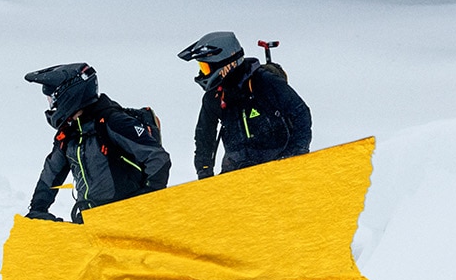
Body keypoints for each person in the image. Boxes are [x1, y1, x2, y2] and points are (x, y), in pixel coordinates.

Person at [23, 63, 171, 223]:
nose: (52, 105)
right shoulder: (68, 134)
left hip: (130, 217)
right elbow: (51, 174)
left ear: (70, 94)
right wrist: (37, 209)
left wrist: (146, 199)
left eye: (53, 99)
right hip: (92, 220)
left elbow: (158, 158)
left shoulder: (112, 121)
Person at [178, 31, 311, 178]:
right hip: (236, 169)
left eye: (206, 67)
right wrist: (204, 171)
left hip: (277, 164)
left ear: (225, 63)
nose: (203, 73)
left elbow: (300, 112)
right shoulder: (215, 96)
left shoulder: (264, 81)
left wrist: (295, 153)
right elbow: (204, 135)